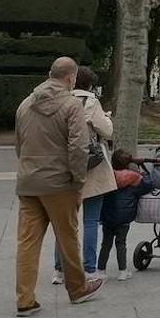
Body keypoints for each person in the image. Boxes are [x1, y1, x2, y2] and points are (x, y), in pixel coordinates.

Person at [13, 57, 104, 317]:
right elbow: (78, 148)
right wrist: (78, 180)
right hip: (60, 183)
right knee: (67, 238)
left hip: (29, 182)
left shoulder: (25, 104)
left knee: (27, 243)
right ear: (71, 78)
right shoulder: (71, 105)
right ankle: (77, 289)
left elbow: (20, 145)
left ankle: (24, 299)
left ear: (48, 74)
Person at [52, 67, 116, 285]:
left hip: (65, 164)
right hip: (91, 165)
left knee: (65, 222)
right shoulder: (91, 102)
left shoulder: (59, 100)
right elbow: (106, 131)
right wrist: (107, 119)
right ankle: (89, 268)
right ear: (90, 84)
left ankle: (59, 270)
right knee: (91, 220)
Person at [100, 149, 152, 280]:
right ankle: (122, 271)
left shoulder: (107, 176)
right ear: (129, 163)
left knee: (106, 243)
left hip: (107, 216)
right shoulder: (134, 178)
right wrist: (143, 170)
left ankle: (101, 271)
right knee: (121, 243)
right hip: (124, 217)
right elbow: (148, 185)